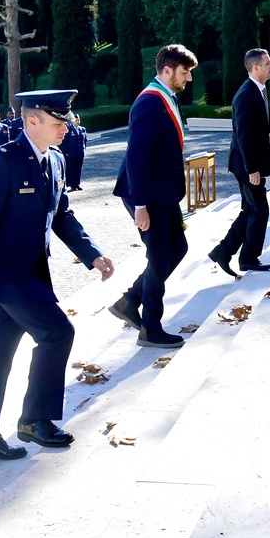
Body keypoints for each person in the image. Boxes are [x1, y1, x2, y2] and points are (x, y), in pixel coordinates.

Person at [0, 90, 115, 461]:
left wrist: (91, 253)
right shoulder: (1, 162)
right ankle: (34, 419)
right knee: (58, 332)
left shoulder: (57, 160)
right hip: (6, 274)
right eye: (58, 122)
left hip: (32, 271)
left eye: (66, 121)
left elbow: (61, 214)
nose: (66, 127)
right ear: (33, 121)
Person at [109, 44, 198, 349]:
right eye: (185, 72)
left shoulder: (167, 97)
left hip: (163, 192)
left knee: (177, 248)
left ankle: (130, 301)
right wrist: (141, 206)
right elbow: (136, 158)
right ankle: (151, 328)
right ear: (168, 70)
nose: (188, 79)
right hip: (145, 194)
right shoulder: (150, 101)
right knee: (159, 257)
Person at [208, 48, 270, 277]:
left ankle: (223, 251)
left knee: (250, 209)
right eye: (268, 63)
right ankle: (248, 258)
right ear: (256, 67)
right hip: (245, 165)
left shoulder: (258, 90)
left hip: (250, 163)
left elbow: (259, 134)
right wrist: (253, 169)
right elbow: (244, 136)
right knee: (260, 209)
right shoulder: (246, 94)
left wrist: (267, 160)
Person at [60, 114, 87, 191]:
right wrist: (65, 151)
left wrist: (84, 149)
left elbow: (85, 141)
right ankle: (72, 184)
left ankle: (77, 184)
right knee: (71, 169)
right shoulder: (69, 129)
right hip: (71, 153)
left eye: (78, 120)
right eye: (76, 120)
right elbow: (64, 142)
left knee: (78, 169)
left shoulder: (82, 129)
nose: (78, 121)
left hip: (80, 153)